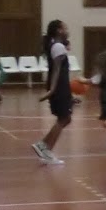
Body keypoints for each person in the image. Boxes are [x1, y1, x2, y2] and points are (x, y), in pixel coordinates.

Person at [31, 19, 73, 165]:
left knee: (65, 118)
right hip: (59, 86)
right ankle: (46, 149)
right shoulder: (58, 47)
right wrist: (52, 90)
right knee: (64, 118)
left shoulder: (55, 46)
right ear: (59, 30)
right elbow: (55, 70)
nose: (68, 30)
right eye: (65, 27)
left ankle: (43, 145)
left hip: (61, 85)